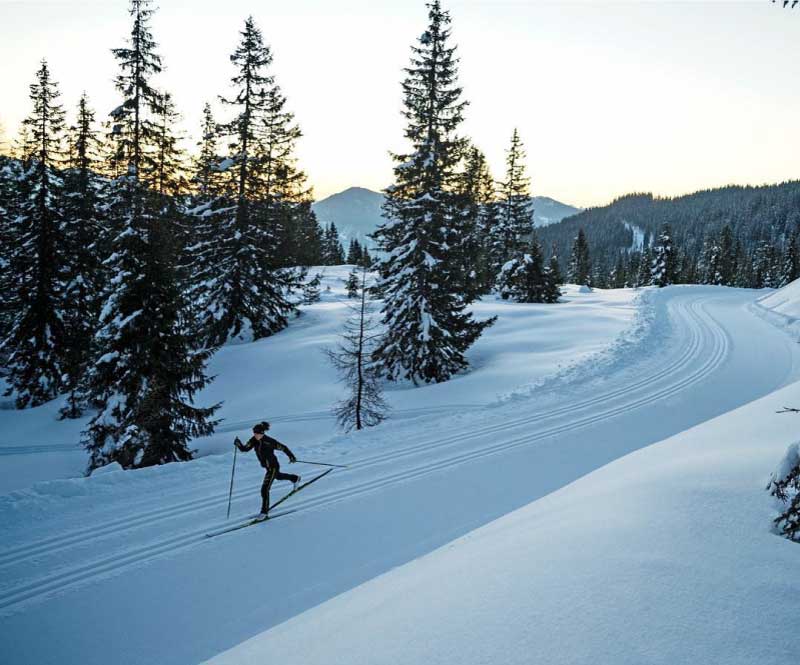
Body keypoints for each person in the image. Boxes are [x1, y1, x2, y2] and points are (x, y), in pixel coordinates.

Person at [234, 421, 301, 518]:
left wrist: (291, 457)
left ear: (262, 433)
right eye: (254, 433)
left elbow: (283, 447)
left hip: (273, 466)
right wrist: (238, 444)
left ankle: (264, 512)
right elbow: (245, 449)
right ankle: (295, 478)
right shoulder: (253, 440)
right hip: (267, 467)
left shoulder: (270, 441)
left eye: (257, 433)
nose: (255, 435)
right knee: (278, 476)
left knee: (264, 489)